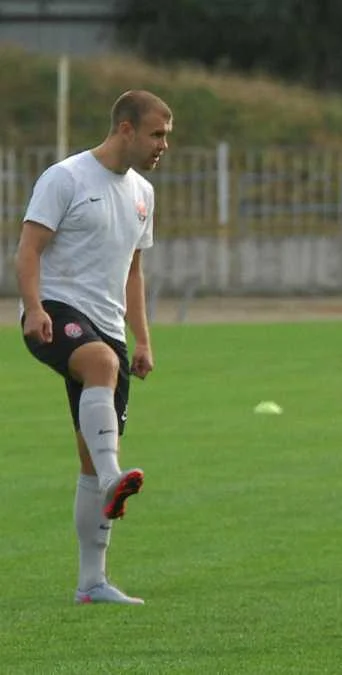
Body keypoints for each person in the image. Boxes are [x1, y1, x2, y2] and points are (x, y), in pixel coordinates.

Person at [16, 90, 171, 605]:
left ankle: (92, 583)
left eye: (167, 136)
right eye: (156, 134)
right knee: (100, 364)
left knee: (89, 455)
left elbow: (133, 272)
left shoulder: (144, 193)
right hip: (56, 311)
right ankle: (113, 477)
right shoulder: (66, 178)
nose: (163, 145)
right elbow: (28, 248)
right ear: (126, 129)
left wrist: (142, 339)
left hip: (109, 328)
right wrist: (33, 307)